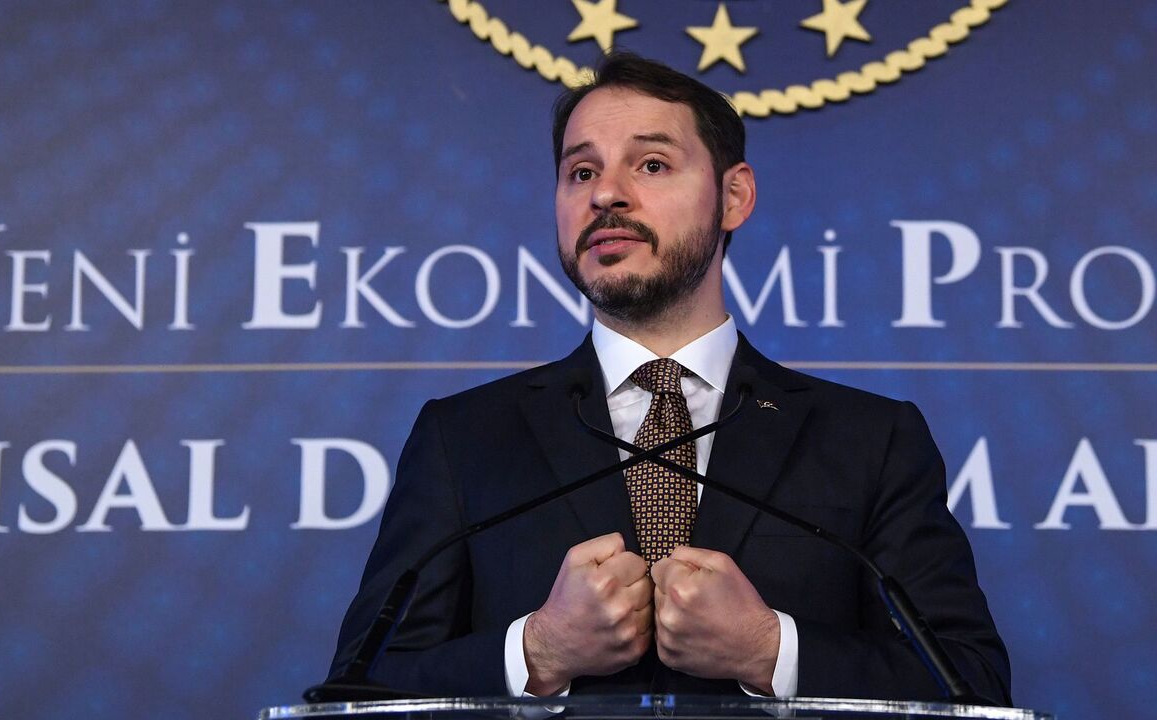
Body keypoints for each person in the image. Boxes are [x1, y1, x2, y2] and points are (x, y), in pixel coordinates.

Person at [326, 52, 1011, 703]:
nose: (608, 197)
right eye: (581, 173)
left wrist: (770, 651)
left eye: (651, 164)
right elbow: (361, 690)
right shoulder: (464, 437)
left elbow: (971, 685)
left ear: (734, 196)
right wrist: (537, 651)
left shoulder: (870, 439)